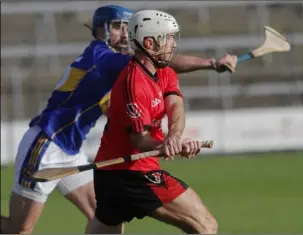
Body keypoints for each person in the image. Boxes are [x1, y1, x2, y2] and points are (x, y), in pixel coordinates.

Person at [0, 5, 236, 234]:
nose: (124, 33)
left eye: (126, 26)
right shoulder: (101, 56)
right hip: (46, 143)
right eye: (116, 26)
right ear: (98, 30)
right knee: (18, 229)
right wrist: (212, 64)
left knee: (99, 215)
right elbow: (157, 59)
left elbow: (111, 108)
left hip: (71, 149)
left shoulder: (112, 70)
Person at [89, 10, 218, 234]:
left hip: (110, 172)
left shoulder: (163, 71)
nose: (172, 45)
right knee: (205, 225)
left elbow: (175, 104)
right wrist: (167, 144)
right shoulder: (134, 82)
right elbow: (140, 140)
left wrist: (175, 137)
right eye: (167, 38)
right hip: (131, 172)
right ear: (149, 43)